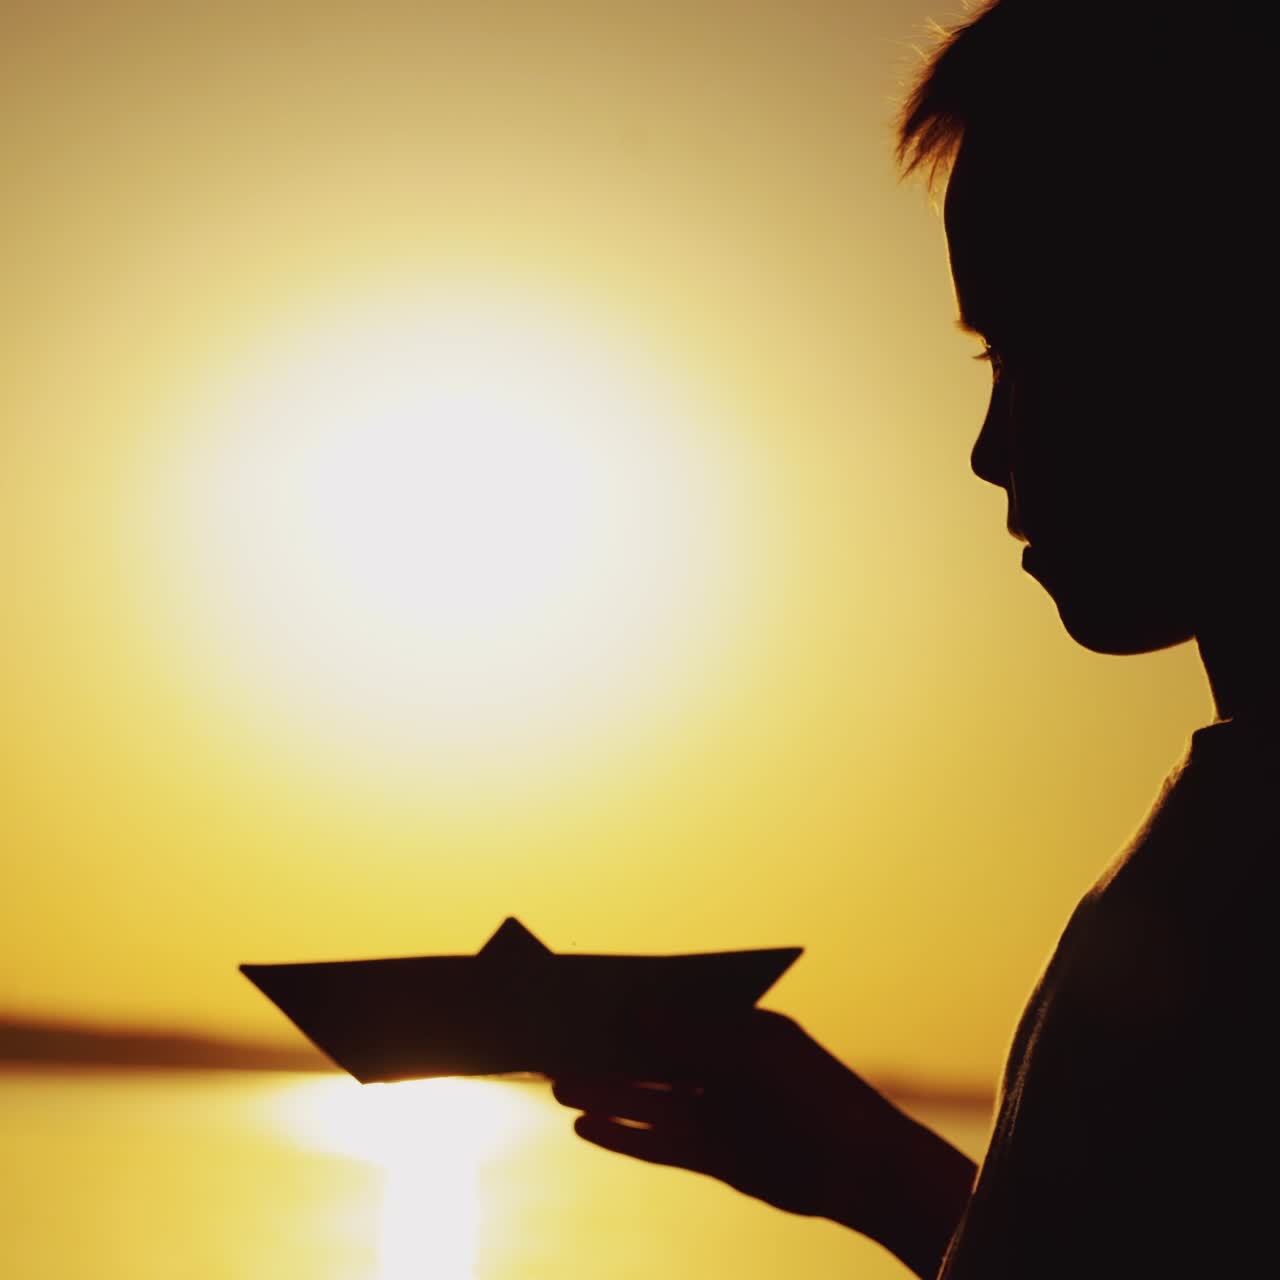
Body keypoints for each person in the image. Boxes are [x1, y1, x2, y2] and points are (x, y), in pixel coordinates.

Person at [551, 1, 1278, 1274]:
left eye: (1042, 351)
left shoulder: (1235, 893)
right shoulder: (1218, 836)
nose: (992, 449)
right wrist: (878, 1172)